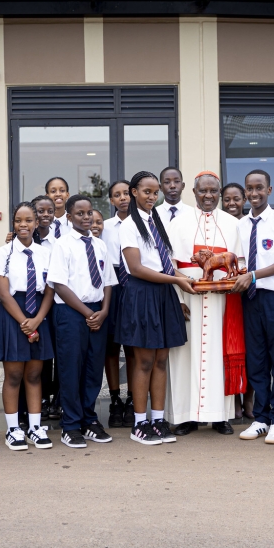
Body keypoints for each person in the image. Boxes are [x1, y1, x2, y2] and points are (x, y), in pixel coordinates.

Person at [117, 171, 193, 445]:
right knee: (144, 360)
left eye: (155, 192)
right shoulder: (128, 225)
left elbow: (166, 263)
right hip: (143, 295)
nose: (152, 196)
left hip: (163, 294)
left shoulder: (155, 221)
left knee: (162, 360)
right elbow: (136, 268)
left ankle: (158, 419)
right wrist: (177, 280)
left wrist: (181, 279)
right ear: (133, 192)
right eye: (146, 191)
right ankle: (140, 423)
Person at [166, 171, 241, 436]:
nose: (208, 196)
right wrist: (177, 298)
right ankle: (186, 416)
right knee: (184, 357)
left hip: (222, 302)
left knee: (219, 355)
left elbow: (240, 265)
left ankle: (220, 416)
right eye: (202, 191)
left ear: (219, 194)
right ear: (194, 193)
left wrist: (231, 285)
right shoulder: (178, 223)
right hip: (188, 299)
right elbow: (170, 265)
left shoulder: (232, 223)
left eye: (213, 192)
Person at [231, 170, 274, 445]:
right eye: (250, 188)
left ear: (269, 190)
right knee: (256, 361)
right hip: (252, 299)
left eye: (260, 188)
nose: (254, 193)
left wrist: (254, 275)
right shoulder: (242, 225)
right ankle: (261, 418)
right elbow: (241, 261)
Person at [46, 195, 117, 448]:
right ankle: (71, 425)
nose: (86, 218)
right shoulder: (62, 245)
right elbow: (59, 286)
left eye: (89, 213)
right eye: (80, 214)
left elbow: (108, 281)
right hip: (72, 314)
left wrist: (104, 311)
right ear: (69, 217)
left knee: (92, 370)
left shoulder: (100, 245)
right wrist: (88, 314)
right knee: (71, 369)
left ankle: (89, 420)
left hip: (99, 312)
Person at [0, 202, 56, 450]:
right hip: (12, 314)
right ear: (13, 224)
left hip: (39, 312)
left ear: (37, 223)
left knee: (35, 375)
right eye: (18, 221)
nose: (23, 225)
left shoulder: (46, 253)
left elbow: (50, 290)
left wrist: (37, 321)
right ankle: (13, 429)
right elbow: (3, 294)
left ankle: (35, 427)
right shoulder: (3, 252)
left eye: (28, 220)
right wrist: (26, 324)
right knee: (14, 375)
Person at [101, 180, 135, 427]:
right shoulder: (105, 226)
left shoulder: (144, 223)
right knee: (111, 347)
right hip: (112, 285)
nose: (122, 198)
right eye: (117, 195)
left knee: (133, 347)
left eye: (126, 193)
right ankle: (115, 401)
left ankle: (134, 400)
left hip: (135, 285)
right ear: (111, 201)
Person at [221, 182, 254, 420]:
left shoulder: (251, 225)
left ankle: (250, 398)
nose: (231, 203)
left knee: (253, 350)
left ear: (245, 199)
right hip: (228, 295)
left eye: (236, 198)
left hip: (252, 294)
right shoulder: (220, 225)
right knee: (231, 348)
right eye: (227, 199)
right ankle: (233, 399)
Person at [31, 194, 62, 420]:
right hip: (33, 303)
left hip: (57, 303)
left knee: (59, 352)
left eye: (49, 211)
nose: (45, 215)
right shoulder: (21, 239)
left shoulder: (60, 241)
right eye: (40, 211)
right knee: (40, 354)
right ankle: (40, 398)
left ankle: (58, 399)